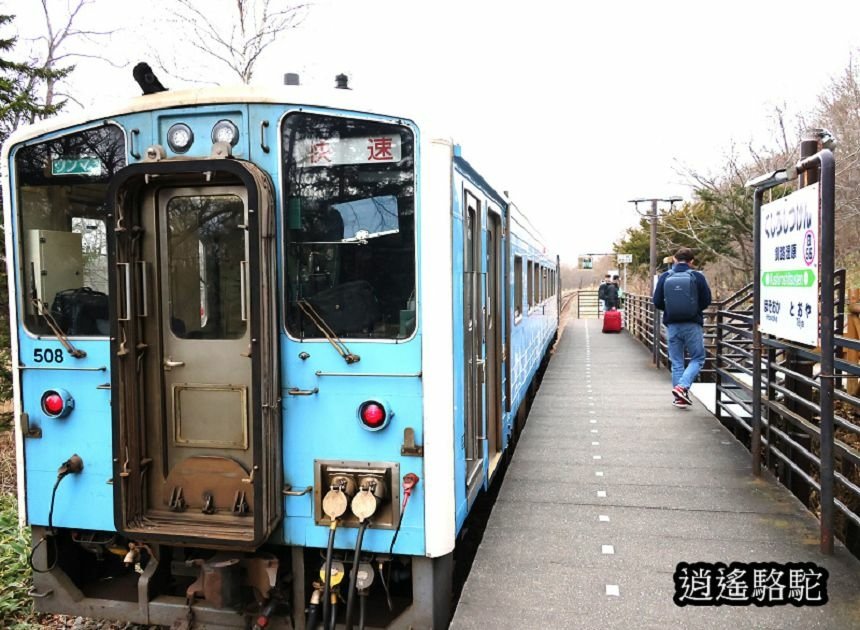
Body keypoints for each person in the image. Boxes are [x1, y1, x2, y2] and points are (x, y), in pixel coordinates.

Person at [652, 247, 712, 409]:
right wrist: (693, 309)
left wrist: (672, 310)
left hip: (672, 324)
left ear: (674, 259)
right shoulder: (697, 276)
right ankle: (682, 387)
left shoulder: (665, 276)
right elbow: (707, 300)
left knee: (677, 361)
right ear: (692, 262)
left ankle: (679, 397)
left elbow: (657, 301)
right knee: (698, 358)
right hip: (692, 324)